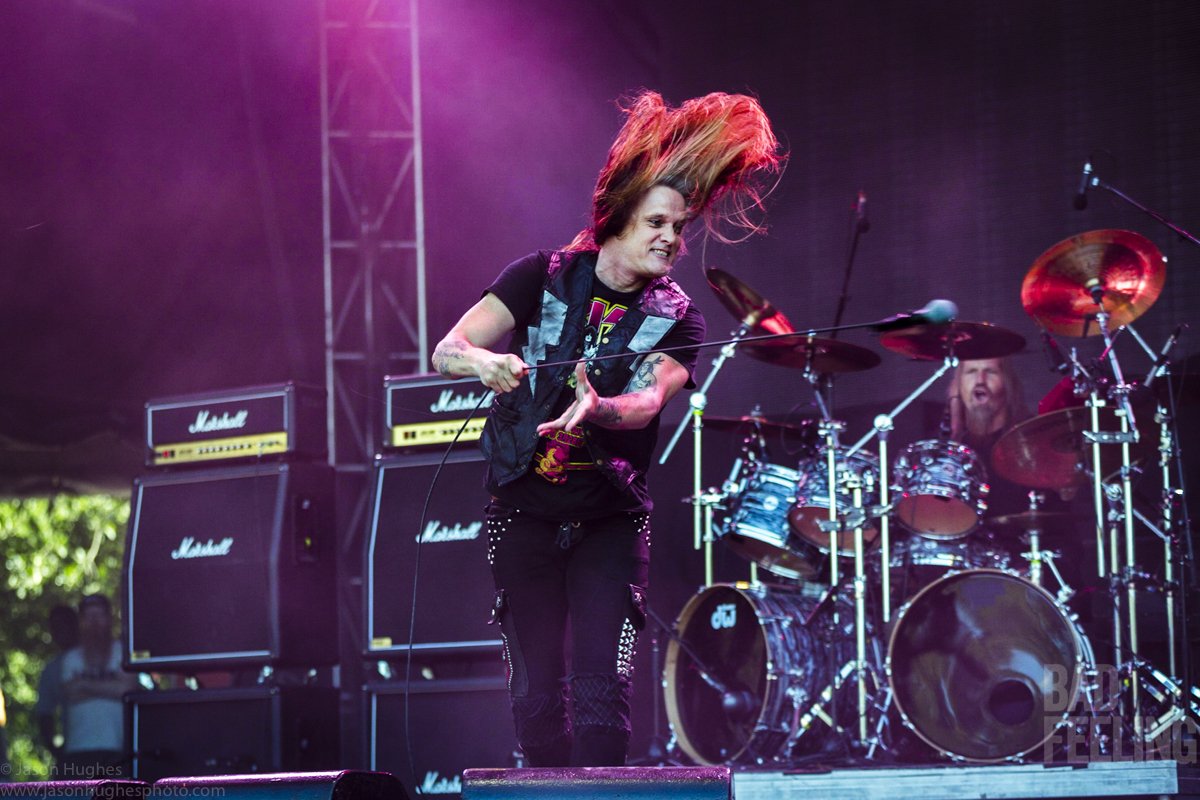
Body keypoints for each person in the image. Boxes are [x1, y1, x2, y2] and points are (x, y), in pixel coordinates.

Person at [432, 90, 783, 767]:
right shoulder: (539, 275)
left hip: (610, 524)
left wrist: (599, 408)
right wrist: (485, 362)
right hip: (523, 515)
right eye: (657, 222)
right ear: (619, 220)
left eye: (678, 228)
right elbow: (447, 348)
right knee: (536, 706)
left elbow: (652, 400)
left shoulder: (681, 317)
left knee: (601, 698)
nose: (670, 239)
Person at [55, 594, 139, 779]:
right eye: (89, 616)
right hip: (78, 750)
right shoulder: (71, 658)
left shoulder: (123, 653)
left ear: (109, 619)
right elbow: (71, 693)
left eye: (99, 615)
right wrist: (113, 687)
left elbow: (128, 691)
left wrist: (84, 684)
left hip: (118, 749)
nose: (94, 622)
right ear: (81, 621)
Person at [946, 355, 1032, 519]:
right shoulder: (947, 446)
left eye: (990, 372)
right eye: (971, 372)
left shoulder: (1030, 439)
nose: (980, 380)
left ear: (1008, 384)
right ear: (958, 386)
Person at [34, 604, 80, 769]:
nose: (61, 631)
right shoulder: (52, 670)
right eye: (55, 627)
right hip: (73, 753)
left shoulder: (106, 657)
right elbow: (44, 715)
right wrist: (56, 750)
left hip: (117, 750)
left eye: (65, 624)